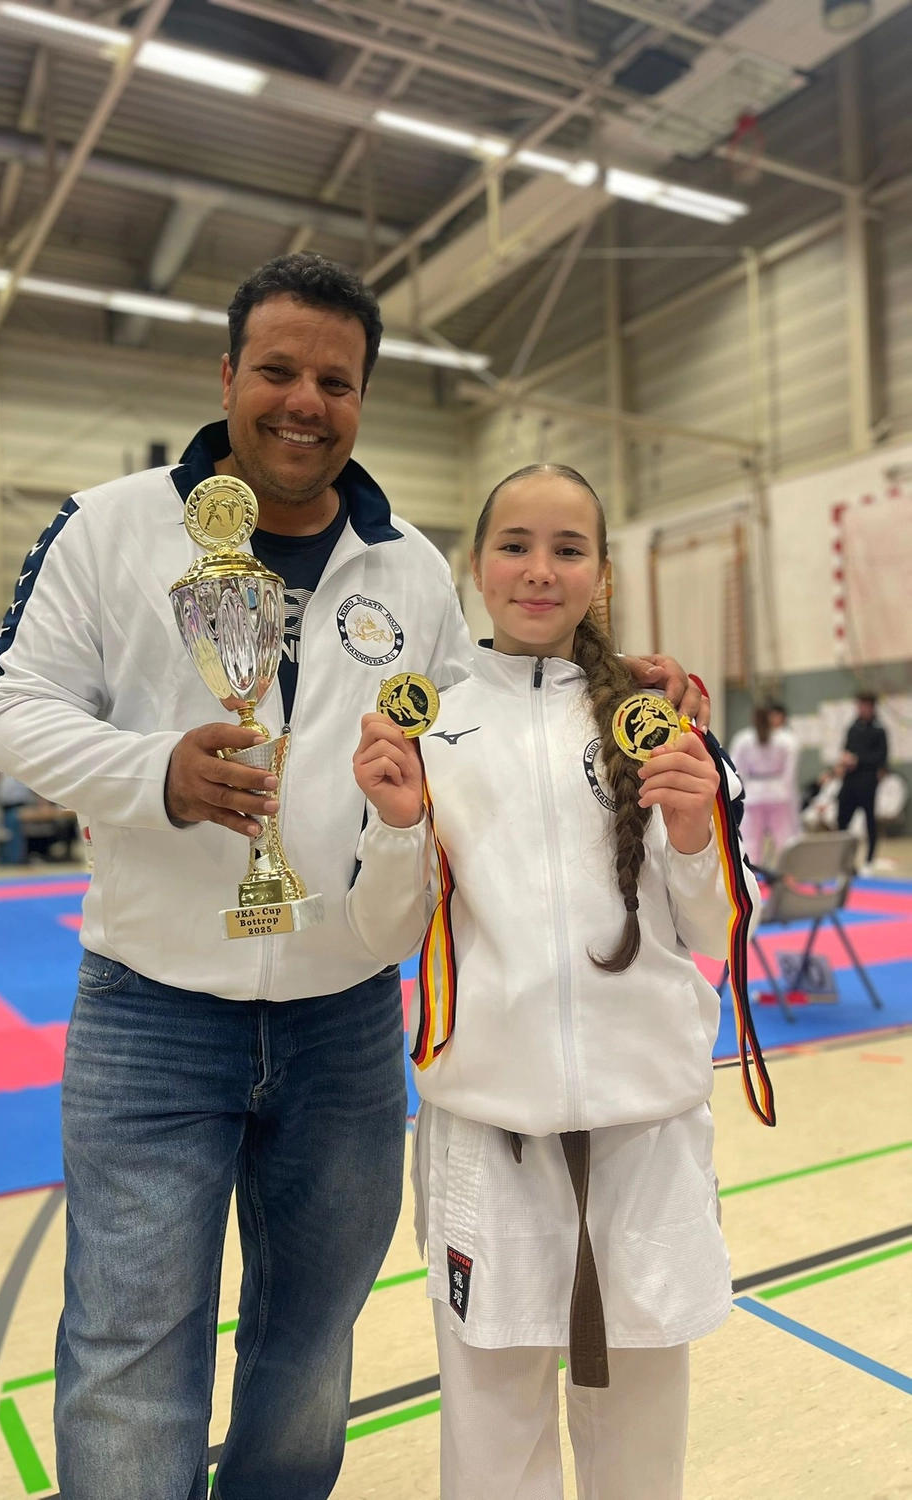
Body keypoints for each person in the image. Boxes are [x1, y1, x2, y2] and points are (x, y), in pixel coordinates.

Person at [0, 253, 702, 1500]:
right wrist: (153, 771)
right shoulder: (109, 527)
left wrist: (604, 679)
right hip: (153, 1012)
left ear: (361, 398)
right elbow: (13, 708)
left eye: (336, 380)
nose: (304, 401)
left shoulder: (409, 565)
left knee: (310, 1352)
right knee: (129, 1348)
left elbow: (476, 708)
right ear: (227, 375)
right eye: (278, 370)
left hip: (345, 1022)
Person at [348, 463, 757, 1500]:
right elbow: (382, 934)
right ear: (476, 565)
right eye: (516, 545)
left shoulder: (660, 724)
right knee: (492, 1447)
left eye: (568, 549)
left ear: (601, 573)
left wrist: (694, 827)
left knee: (641, 1450)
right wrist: (397, 826)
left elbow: (717, 926)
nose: (540, 570)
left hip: (646, 1135)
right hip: (490, 1137)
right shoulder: (428, 725)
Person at [728, 702, 799, 868]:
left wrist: (740, 792)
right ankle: (790, 873)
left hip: (752, 792)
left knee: (751, 838)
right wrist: (787, 793)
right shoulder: (787, 739)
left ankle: (752, 873)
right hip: (778, 792)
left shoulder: (743, 739)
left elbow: (736, 768)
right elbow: (790, 772)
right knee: (784, 836)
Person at [837, 692, 888, 872]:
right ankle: (844, 860)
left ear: (872, 707)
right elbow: (847, 748)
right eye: (860, 706)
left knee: (869, 821)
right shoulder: (853, 728)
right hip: (850, 781)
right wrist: (845, 760)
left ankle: (869, 860)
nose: (862, 709)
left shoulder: (879, 730)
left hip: (867, 782)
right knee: (842, 821)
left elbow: (881, 758)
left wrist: (859, 759)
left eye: (865, 706)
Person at [0, 771, 35, 864]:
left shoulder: (18, 773)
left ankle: (16, 858)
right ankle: (6, 858)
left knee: (15, 833)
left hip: (18, 805)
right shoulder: (3, 773)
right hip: (6, 806)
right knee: (8, 834)